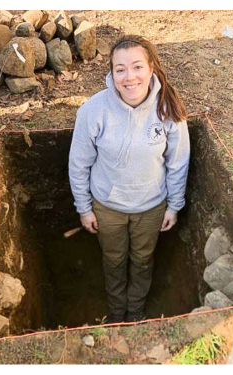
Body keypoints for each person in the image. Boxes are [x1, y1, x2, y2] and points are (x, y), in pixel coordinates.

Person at [69, 35, 190, 323]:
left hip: (151, 208)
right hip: (107, 207)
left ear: (151, 69)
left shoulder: (168, 110)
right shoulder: (93, 111)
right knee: (113, 261)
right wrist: (84, 208)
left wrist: (174, 205)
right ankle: (115, 313)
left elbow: (178, 162)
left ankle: (134, 314)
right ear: (111, 73)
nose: (129, 77)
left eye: (137, 67)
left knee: (142, 262)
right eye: (120, 69)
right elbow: (78, 163)